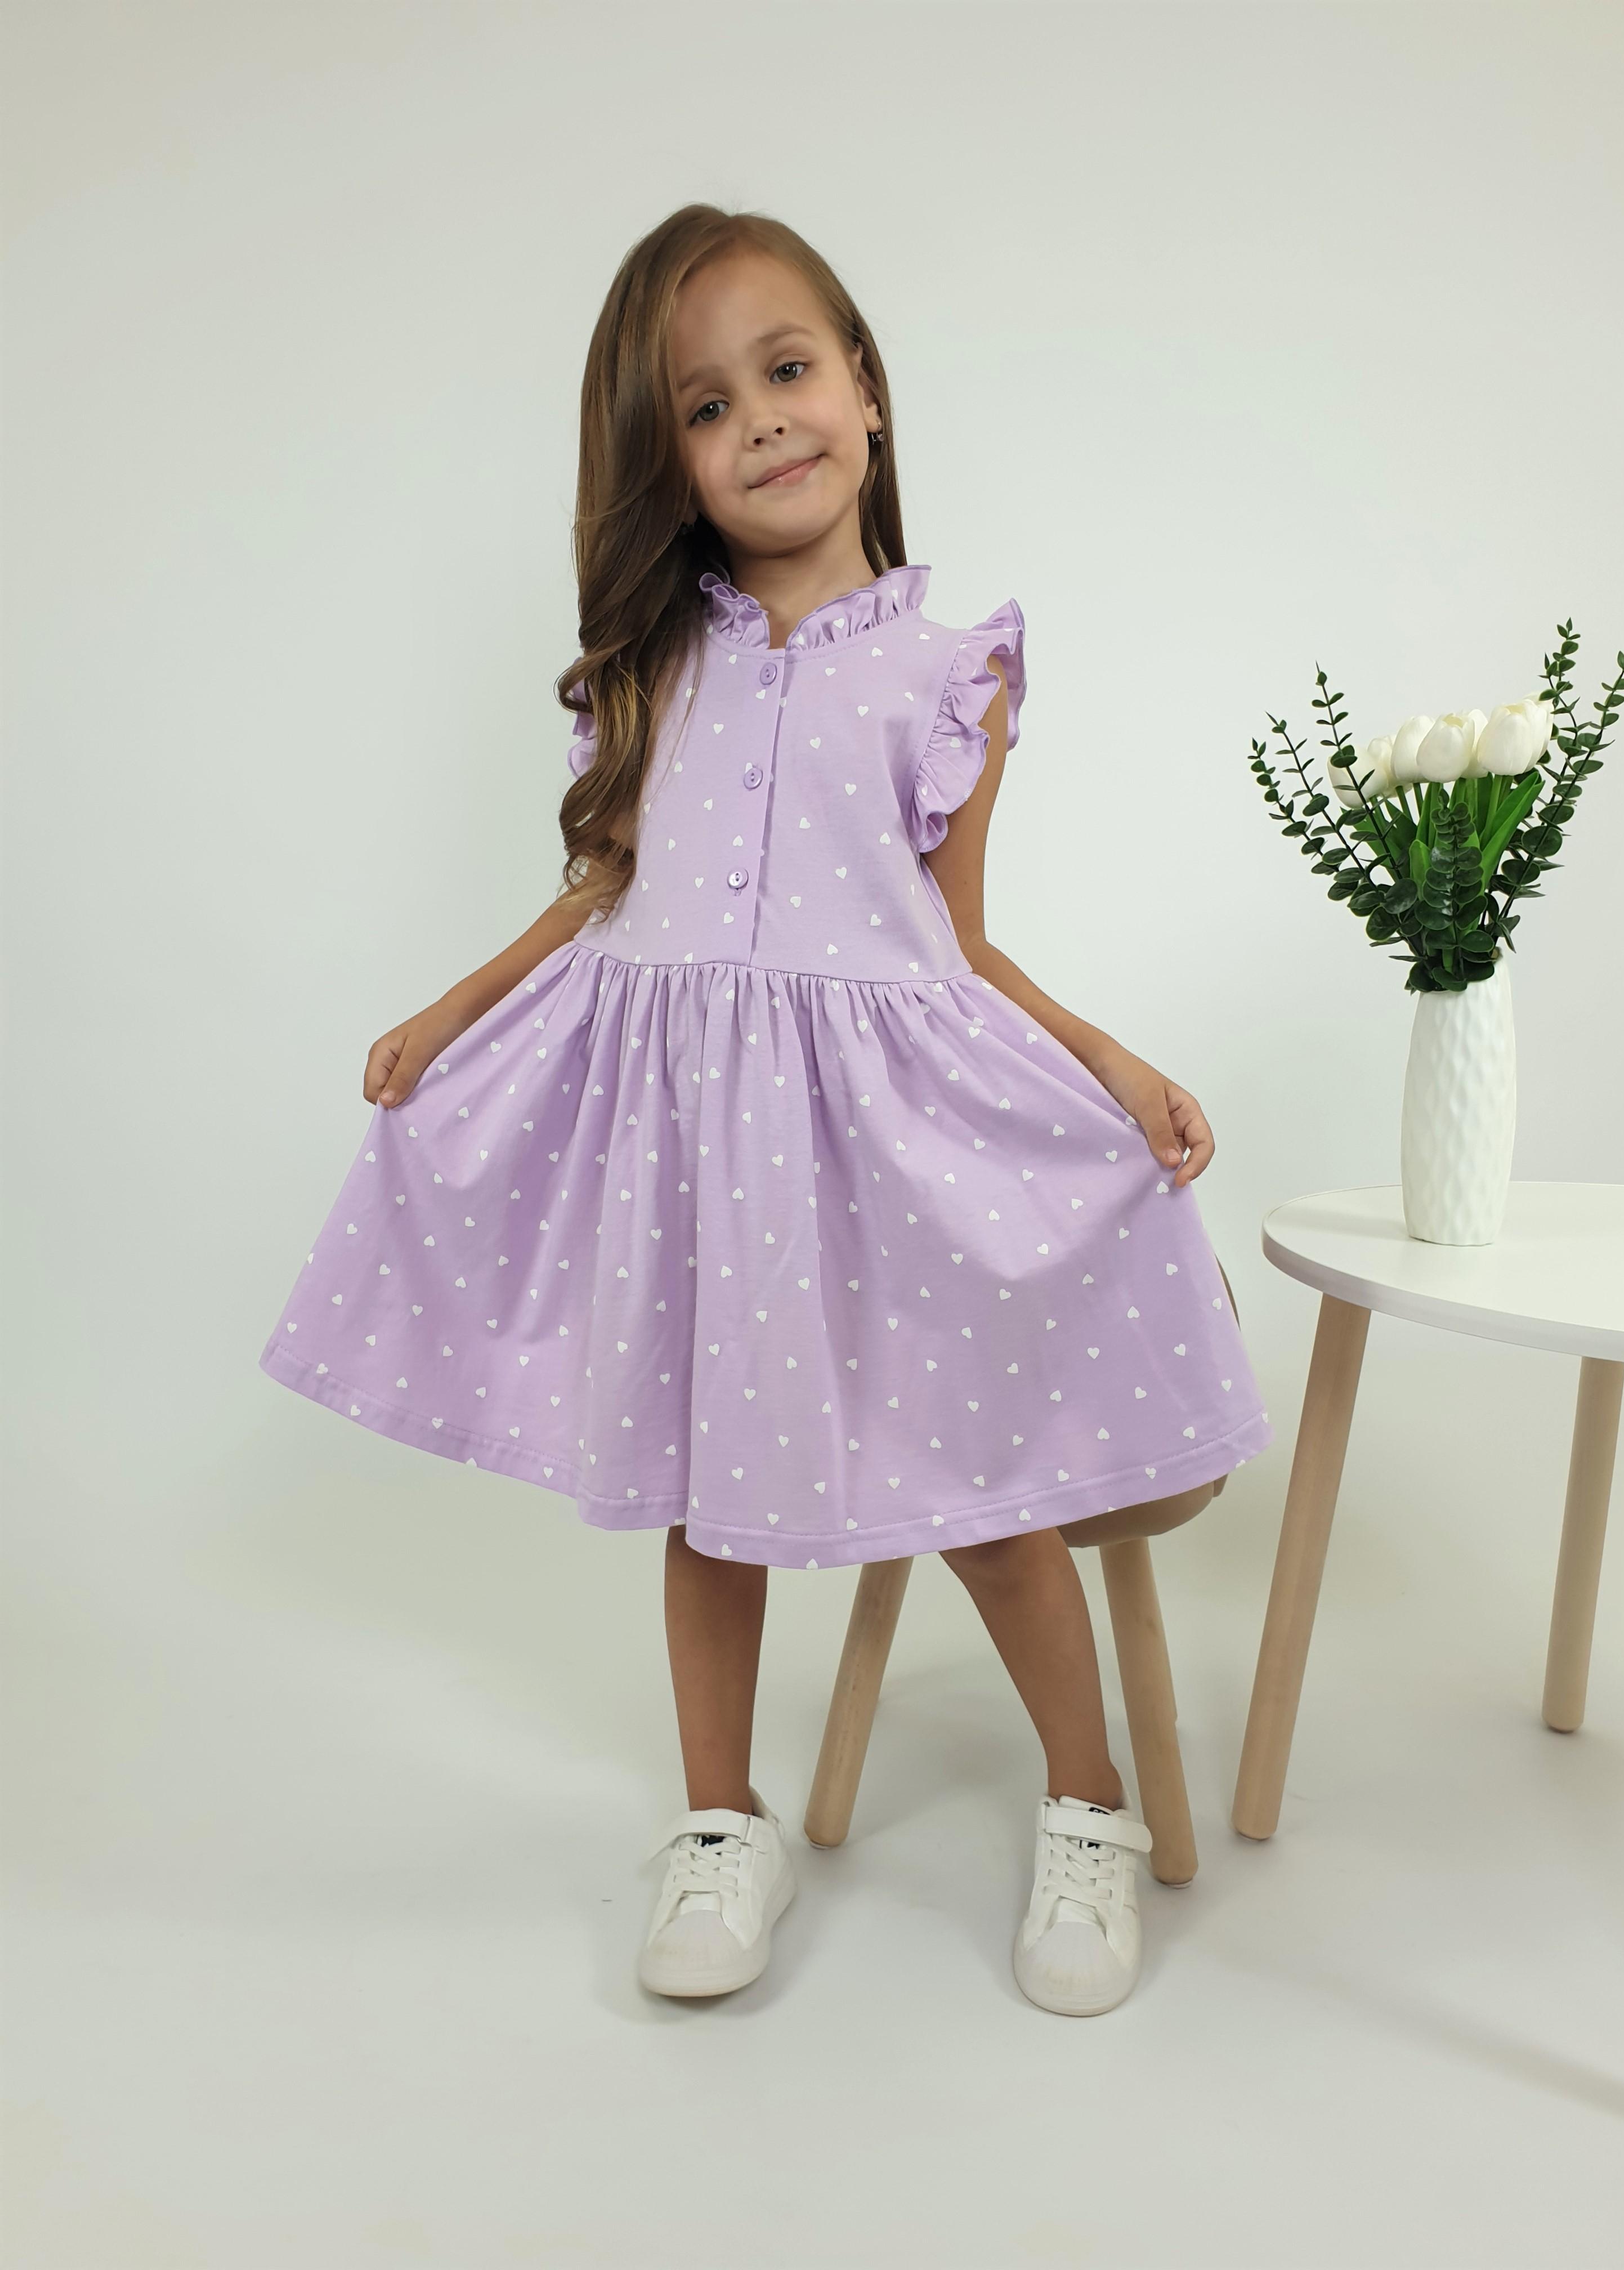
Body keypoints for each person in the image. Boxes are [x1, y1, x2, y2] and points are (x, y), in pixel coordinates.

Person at [257, 203, 1274, 2018]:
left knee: (984, 1494)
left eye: (787, 371)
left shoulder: (953, 673)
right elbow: (602, 890)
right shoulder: (659, 669)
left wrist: (1109, 1062)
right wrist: (453, 1008)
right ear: (674, 466)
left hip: (883, 1148)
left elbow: (956, 945)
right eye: (707, 409)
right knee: (703, 1496)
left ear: (865, 387)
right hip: (695, 1152)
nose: (762, 424)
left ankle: (1088, 1804)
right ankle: (721, 1824)